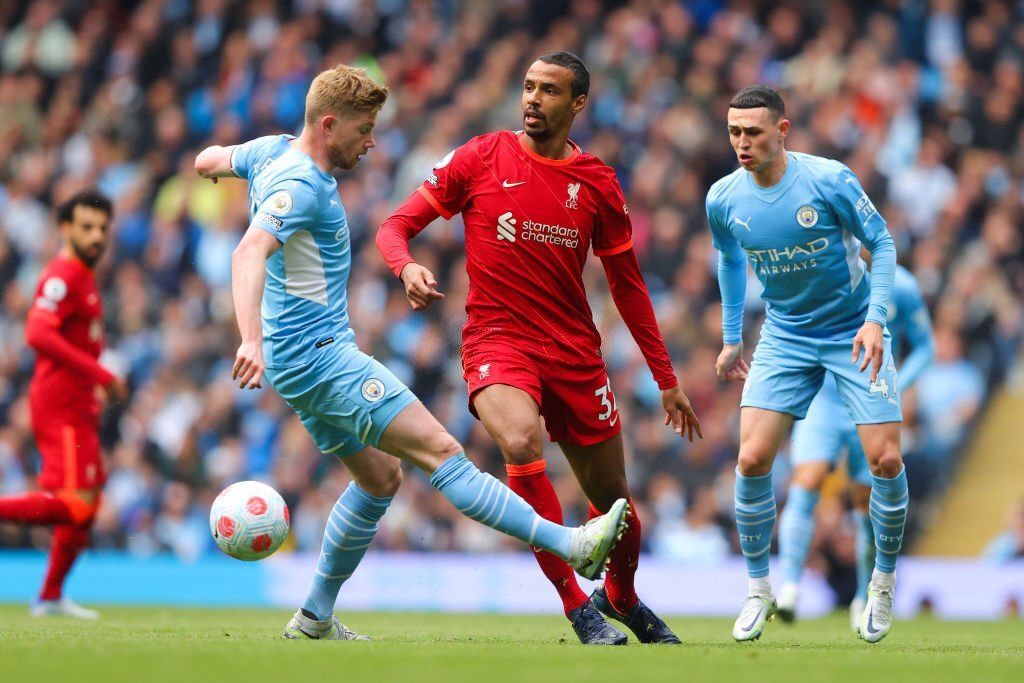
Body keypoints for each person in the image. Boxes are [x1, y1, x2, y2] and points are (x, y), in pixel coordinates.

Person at [194, 64, 628, 642]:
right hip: (320, 358)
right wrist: (248, 337)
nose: (372, 141)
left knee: (379, 480)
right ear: (329, 125)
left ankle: (315, 616)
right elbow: (248, 252)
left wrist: (215, 164)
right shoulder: (298, 183)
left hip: (299, 366)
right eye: (364, 129)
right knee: (442, 452)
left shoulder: (270, 151)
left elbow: (209, 159)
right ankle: (569, 543)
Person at [376, 51, 702, 646]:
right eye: (527, 87)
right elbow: (394, 225)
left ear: (577, 103)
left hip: (576, 353)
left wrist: (666, 378)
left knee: (617, 510)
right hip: (497, 341)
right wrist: (406, 269)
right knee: (521, 443)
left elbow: (628, 287)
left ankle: (622, 597)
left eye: (548, 90)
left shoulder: (598, 182)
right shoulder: (481, 156)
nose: (532, 99)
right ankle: (578, 606)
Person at [706, 85, 908, 644]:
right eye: (734, 132)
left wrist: (874, 319)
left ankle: (883, 584)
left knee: (885, 461)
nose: (742, 143)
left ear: (783, 130)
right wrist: (730, 338)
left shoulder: (828, 179)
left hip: (851, 333)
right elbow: (728, 261)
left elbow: (882, 243)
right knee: (750, 459)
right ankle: (758, 589)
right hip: (786, 336)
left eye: (753, 132)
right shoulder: (723, 198)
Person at [777, 263, 934, 630]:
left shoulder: (904, 285)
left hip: (871, 402)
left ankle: (864, 597)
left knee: (867, 506)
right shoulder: (823, 271)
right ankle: (788, 587)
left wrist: (894, 385)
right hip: (825, 402)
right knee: (807, 480)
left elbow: (926, 348)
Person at [0, 190, 126, 619]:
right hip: (59, 406)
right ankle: (50, 594)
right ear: (64, 228)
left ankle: (51, 596)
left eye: (102, 229)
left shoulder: (84, 275)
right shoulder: (62, 274)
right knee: (73, 503)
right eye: (86, 227)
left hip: (78, 406)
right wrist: (101, 374)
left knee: (87, 501)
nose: (96, 236)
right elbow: (37, 333)